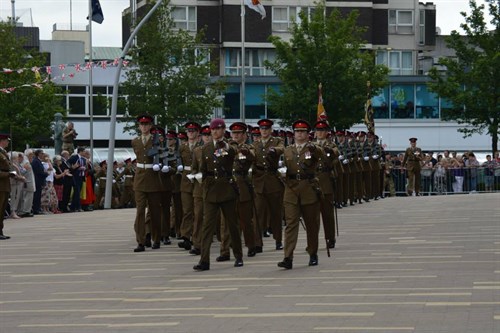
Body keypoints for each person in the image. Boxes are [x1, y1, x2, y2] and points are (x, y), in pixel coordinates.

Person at [193, 118, 243, 271]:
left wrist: (224, 146)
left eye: (218, 129)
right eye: (212, 129)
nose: (215, 132)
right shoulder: (205, 148)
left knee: (232, 225)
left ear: (223, 130)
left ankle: (238, 256)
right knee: (207, 227)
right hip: (210, 190)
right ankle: (204, 260)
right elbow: (202, 168)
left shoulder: (229, 145)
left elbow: (234, 154)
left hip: (226, 189)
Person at [277, 120, 322, 269]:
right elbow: (281, 165)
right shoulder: (288, 150)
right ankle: (288, 256)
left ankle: (312, 253)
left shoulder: (312, 148)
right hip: (291, 190)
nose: (299, 134)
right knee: (290, 225)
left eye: (302, 131)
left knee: (311, 224)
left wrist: (313, 147)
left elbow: (319, 154)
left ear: (308, 134)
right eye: (297, 131)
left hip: (308, 189)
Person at [131, 114, 164, 252]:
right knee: (140, 211)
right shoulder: (135, 141)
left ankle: (156, 238)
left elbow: (162, 156)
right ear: (139, 126)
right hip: (139, 178)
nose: (144, 127)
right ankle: (141, 240)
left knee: (155, 211)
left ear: (150, 126)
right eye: (141, 124)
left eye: (146, 124)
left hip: (153, 177)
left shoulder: (158, 141)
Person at [252, 118, 285, 253]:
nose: (264, 131)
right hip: (259, 180)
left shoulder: (276, 141)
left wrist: (274, 150)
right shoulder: (255, 144)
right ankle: (257, 242)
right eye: (262, 129)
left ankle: (278, 240)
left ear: (271, 130)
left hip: (272, 180)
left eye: (266, 129)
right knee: (258, 214)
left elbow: (282, 148)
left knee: (276, 213)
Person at [177, 121, 203, 251]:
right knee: (187, 210)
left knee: (198, 211)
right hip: (186, 180)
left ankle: (196, 237)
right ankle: (185, 236)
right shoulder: (182, 147)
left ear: (198, 133)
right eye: (189, 131)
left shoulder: (202, 146)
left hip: (199, 179)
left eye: (193, 131)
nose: (190, 133)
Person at [0, 133, 15, 239]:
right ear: (2, 141)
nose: (8, 142)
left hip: (5, 184)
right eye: (7, 140)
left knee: (2, 210)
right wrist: (8, 174)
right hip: (1, 184)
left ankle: (0, 231)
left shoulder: (3, 152)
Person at [67, 147, 87, 212]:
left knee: (77, 192)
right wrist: (73, 167)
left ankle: (73, 206)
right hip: (75, 176)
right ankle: (78, 207)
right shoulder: (74, 157)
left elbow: (84, 166)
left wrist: (84, 168)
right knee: (77, 192)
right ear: (80, 151)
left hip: (81, 176)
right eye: (84, 151)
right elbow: (68, 163)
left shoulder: (84, 159)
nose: (85, 153)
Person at [31, 149, 49, 214]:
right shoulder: (36, 161)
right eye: (42, 153)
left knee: (38, 196)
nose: (43, 155)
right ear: (38, 154)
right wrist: (46, 174)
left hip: (39, 181)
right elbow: (38, 172)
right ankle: (36, 209)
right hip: (37, 181)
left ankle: (37, 209)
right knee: (36, 196)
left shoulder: (38, 161)